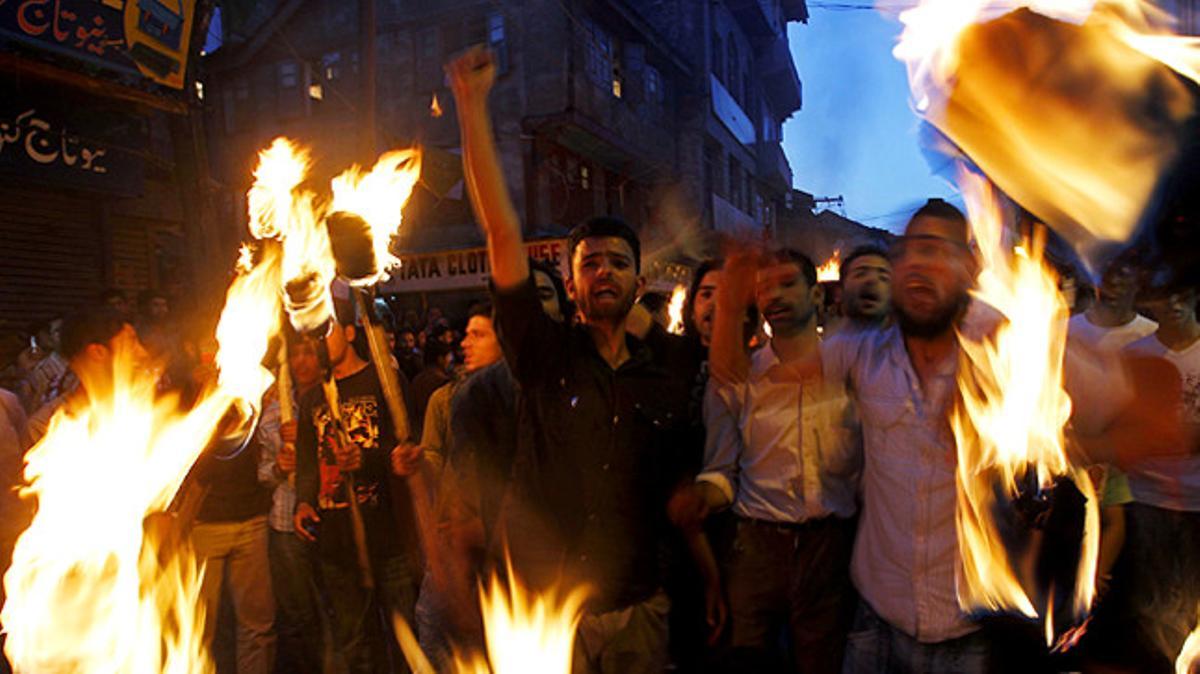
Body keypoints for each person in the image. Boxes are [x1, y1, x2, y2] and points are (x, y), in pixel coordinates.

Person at [448, 45, 693, 674]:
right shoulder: (544, 355)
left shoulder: (670, 368)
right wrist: (471, 106)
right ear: (571, 282)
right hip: (547, 613)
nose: (604, 271)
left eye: (618, 262)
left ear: (640, 284)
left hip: (639, 607)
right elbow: (502, 234)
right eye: (589, 262)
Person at [690, 249, 859, 673]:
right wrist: (702, 497)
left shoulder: (853, 369)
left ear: (816, 296)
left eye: (787, 284)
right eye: (765, 288)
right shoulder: (739, 379)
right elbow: (721, 467)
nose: (775, 296)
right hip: (757, 548)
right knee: (748, 660)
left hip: (831, 548)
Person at [293, 300, 422, 674]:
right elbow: (306, 463)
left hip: (387, 537)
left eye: (327, 330)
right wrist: (303, 502)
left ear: (350, 333)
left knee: (405, 640)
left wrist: (365, 459)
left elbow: (406, 451)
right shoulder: (312, 398)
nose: (318, 340)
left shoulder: (382, 381)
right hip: (336, 543)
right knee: (354, 643)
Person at [1113, 279, 1200, 674]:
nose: (1176, 303)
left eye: (1184, 293)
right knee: (1152, 611)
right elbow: (1124, 425)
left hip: (1198, 499)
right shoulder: (1135, 355)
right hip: (1147, 497)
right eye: (1168, 295)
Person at [190, 375, 277, 674]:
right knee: (198, 625)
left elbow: (267, 458)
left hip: (251, 520)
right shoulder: (197, 401)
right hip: (205, 525)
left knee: (257, 626)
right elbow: (196, 471)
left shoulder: (257, 397)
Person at [261, 330, 324, 674]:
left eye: (309, 353)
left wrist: (308, 438)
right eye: (295, 355)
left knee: (333, 603)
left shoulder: (333, 402)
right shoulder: (273, 409)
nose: (301, 361)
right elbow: (261, 472)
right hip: (285, 522)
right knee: (297, 613)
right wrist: (277, 467)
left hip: (328, 515)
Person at [838, 244, 892, 329]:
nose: (872, 280)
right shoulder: (830, 342)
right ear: (840, 291)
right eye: (860, 274)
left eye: (883, 277)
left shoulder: (907, 341)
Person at [410, 341, 454, 440]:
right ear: (440, 359)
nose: (450, 361)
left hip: (419, 434)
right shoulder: (443, 384)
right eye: (448, 357)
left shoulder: (417, 380)